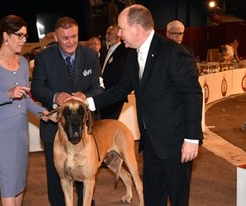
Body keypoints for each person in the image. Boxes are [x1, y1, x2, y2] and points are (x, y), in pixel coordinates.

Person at [75, 4, 203, 205]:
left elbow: (192, 94)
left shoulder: (173, 52)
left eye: (121, 28)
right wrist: (88, 101)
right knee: (153, 198)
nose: (119, 33)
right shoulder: (133, 54)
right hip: (150, 142)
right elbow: (120, 89)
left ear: (136, 28)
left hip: (176, 143)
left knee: (178, 199)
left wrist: (192, 138)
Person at [0, 15, 49, 206]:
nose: (24, 40)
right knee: (8, 181)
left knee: (19, 180)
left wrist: (43, 112)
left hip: (20, 129)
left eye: (25, 36)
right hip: (0, 130)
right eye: (20, 36)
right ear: (6, 36)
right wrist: (7, 94)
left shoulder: (23, 63)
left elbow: (25, 98)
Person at [30, 16, 103, 206]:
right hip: (54, 127)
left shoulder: (90, 55)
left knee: (85, 176)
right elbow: (36, 88)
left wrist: (85, 97)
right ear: (55, 37)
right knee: (57, 178)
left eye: (74, 36)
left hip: (83, 127)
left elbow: (99, 88)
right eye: (65, 38)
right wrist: (55, 96)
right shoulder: (44, 57)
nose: (70, 42)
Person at [98, 25, 130, 120]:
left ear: (118, 35)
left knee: (110, 123)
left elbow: (117, 74)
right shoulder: (104, 52)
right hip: (102, 94)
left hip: (114, 94)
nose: (106, 36)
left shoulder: (124, 52)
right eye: (106, 33)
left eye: (109, 34)